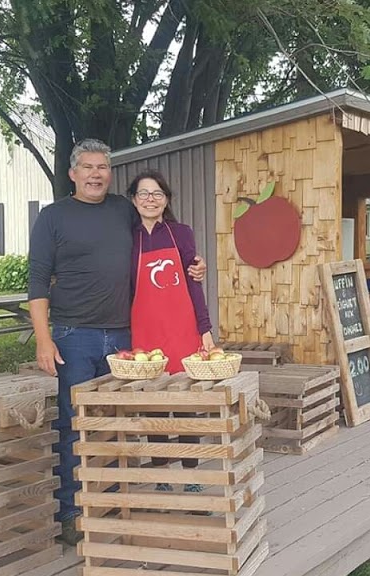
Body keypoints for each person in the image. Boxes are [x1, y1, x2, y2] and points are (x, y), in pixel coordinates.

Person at [27, 139, 206, 545]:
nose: (95, 174)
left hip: (125, 339)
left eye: (102, 168)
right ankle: (73, 511)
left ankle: (110, 499)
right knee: (74, 424)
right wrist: (42, 338)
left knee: (117, 423)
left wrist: (194, 264)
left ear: (110, 174)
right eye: (87, 167)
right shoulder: (53, 217)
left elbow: (163, 239)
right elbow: (37, 279)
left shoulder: (124, 211)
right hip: (74, 336)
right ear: (72, 174)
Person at [127, 170, 216, 495]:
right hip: (144, 333)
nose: (150, 199)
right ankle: (162, 472)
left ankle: (191, 472)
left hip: (182, 329)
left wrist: (204, 329)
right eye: (143, 193)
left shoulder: (181, 233)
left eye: (157, 193)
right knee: (154, 404)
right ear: (134, 200)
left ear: (166, 200)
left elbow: (195, 284)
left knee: (185, 402)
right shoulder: (127, 236)